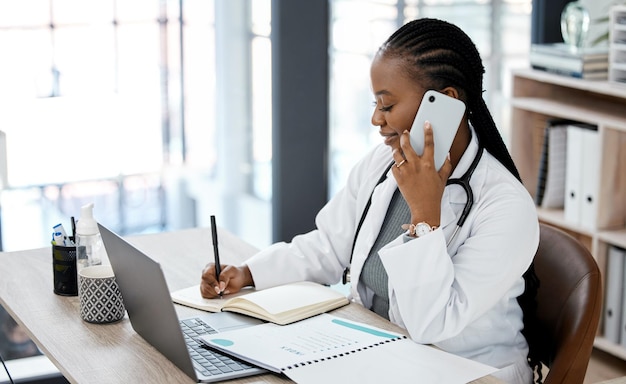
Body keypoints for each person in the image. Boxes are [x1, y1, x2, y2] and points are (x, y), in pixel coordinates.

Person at [201, 18, 540, 383]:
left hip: (471, 372)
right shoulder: (383, 163)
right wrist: (250, 273)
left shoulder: (506, 206)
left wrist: (426, 213)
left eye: (387, 104)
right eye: (375, 103)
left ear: (446, 102)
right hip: (385, 352)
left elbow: (432, 324)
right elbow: (329, 245)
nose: (376, 119)